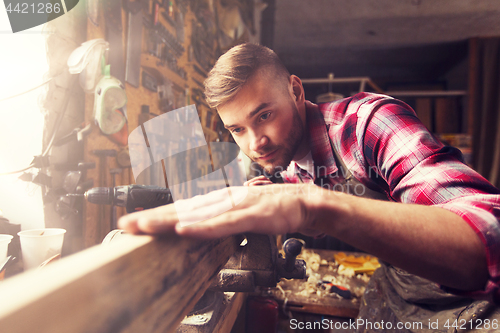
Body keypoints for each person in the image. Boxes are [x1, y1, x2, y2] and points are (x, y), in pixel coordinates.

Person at [119, 43, 500, 331]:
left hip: (483, 303)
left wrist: (315, 205)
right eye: (237, 130)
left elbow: (487, 240)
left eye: (264, 116)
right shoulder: (272, 162)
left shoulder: (369, 124)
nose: (256, 142)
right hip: (399, 289)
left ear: (296, 91)